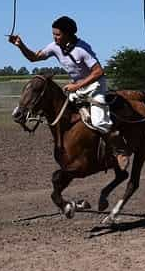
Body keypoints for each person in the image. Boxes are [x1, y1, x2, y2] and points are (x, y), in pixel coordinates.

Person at [8, 16, 131, 165]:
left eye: (58, 34)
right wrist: (20, 45)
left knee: (99, 121)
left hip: (95, 86)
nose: (55, 37)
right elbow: (34, 57)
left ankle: (120, 151)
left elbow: (98, 72)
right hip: (77, 88)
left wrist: (76, 86)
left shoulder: (82, 49)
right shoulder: (54, 47)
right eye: (53, 34)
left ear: (68, 34)